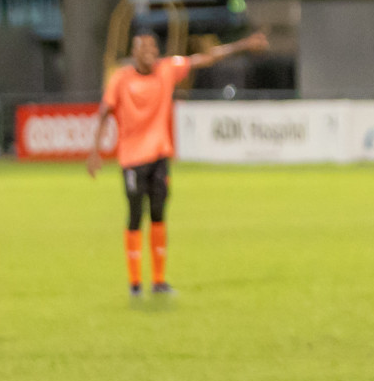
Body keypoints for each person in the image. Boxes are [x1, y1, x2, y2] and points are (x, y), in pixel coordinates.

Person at [87, 27, 269, 298]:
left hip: (160, 155)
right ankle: (135, 283)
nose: (151, 52)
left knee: (159, 214)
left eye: (153, 47)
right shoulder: (121, 78)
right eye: (144, 47)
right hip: (132, 158)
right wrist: (95, 149)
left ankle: (159, 281)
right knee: (136, 215)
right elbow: (105, 111)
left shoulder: (167, 69)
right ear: (134, 52)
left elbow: (205, 58)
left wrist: (243, 44)